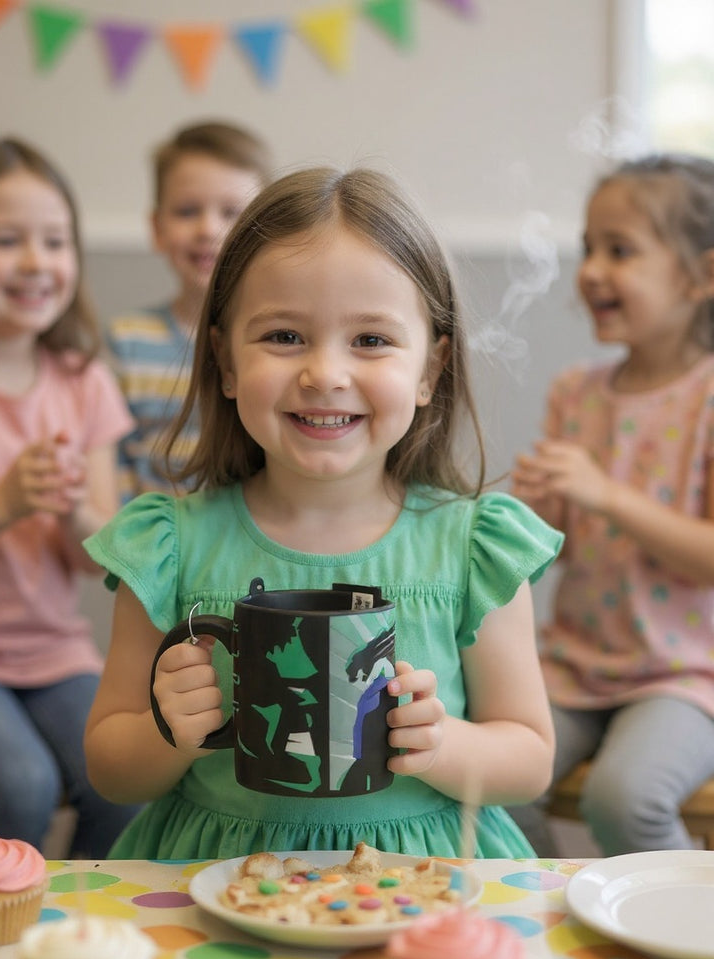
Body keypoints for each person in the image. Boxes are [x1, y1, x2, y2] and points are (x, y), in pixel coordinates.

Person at [83, 166, 562, 861]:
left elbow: (530, 758)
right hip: (210, 876)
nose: (325, 374)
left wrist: (441, 745)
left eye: (370, 340)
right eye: (284, 336)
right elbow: (109, 769)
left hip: (422, 881)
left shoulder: (474, 548)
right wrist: (168, 731)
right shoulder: (168, 546)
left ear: (430, 370)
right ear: (224, 361)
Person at [0, 136, 142, 856]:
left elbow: (95, 562)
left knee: (125, 778)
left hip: (55, 652)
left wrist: (73, 511)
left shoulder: (84, 383)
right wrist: (3, 503)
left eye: (55, 240)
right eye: (7, 240)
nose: (37, 261)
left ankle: (76, 922)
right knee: (18, 784)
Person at [509, 153, 714, 856]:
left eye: (620, 250)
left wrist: (607, 495)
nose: (592, 270)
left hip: (686, 675)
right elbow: (554, 544)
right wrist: (537, 513)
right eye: (589, 247)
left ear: (702, 277)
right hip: (578, 664)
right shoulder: (576, 392)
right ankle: (557, 911)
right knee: (499, 784)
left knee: (626, 799)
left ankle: (680, 916)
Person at [106, 120, 272, 502]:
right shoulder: (127, 340)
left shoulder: (278, 342)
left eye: (231, 212)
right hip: (153, 534)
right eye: (186, 211)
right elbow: (114, 466)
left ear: (265, 229)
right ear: (157, 227)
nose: (208, 229)